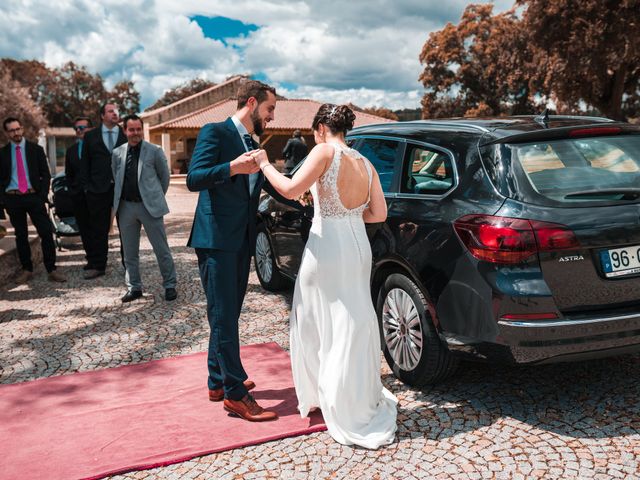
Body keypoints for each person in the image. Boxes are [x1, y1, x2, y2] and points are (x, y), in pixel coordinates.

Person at [253, 103, 398, 448]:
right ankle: (358, 395)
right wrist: (347, 216)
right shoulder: (366, 162)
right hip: (358, 247)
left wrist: (262, 164)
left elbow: (288, 190)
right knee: (354, 318)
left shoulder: (323, 151)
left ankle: (327, 395)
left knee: (312, 317)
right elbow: (379, 212)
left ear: (320, 128)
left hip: (327, 246)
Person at [187, 80, 279, 422]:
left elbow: (268, 185)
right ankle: (236, 394)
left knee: (228, 313)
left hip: (242, 240)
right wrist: (232, 168)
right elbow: (195, 178)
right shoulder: (215, 132)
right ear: (252, 103)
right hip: (216, 240)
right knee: (224, 315)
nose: (270, 117)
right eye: (269, 110)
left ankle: (216, 381)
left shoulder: (253, 143)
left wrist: (305, 196)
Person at [112, 114, 177, 303]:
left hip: (150, 208)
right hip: (126, 208)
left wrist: (153, 197)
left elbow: (164, 178)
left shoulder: (155, 151)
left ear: (142, 129)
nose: (135, 133)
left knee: (161, 249)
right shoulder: (117, 153)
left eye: (138, 129)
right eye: (131, 129)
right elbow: (116, 178)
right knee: (130, 253)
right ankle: (134, 287)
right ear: (125, 131)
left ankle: (170, 285)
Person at [0, 117, 66, 283]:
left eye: (18, 129)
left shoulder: (35, 150)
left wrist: (42, 195)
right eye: (12, 130)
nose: (16, 133)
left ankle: (51, 269)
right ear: (7, 133)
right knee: (21, 235)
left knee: (45, 232)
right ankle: (27, 269)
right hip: (13, 199)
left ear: (22, 128)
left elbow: (45, 174)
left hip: (33, 197)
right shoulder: (2, 153)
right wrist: (5, 200)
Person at [81, 102, 126, 279]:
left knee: (126, 228)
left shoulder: (125, 133)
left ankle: (128, 265)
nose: (115, 113)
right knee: (99, 230)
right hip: (97, 191)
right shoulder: (90, 136)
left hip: (122, 189)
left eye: (117, 110)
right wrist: (87, 188)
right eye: (110, 111)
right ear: (102, 115)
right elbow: (85, 164)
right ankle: (99, 266)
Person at [64, 116, 93, 269]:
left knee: (97, 229)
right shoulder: (71, 151)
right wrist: (72, 191)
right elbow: (69, 175)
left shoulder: (97, 147)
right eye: (76, 128)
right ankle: (90, 259)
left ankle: (99, 260)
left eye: (82, 127)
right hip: (78, 196)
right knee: (84, 229)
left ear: (90, 129)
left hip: (95, 196)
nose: (79, 131)